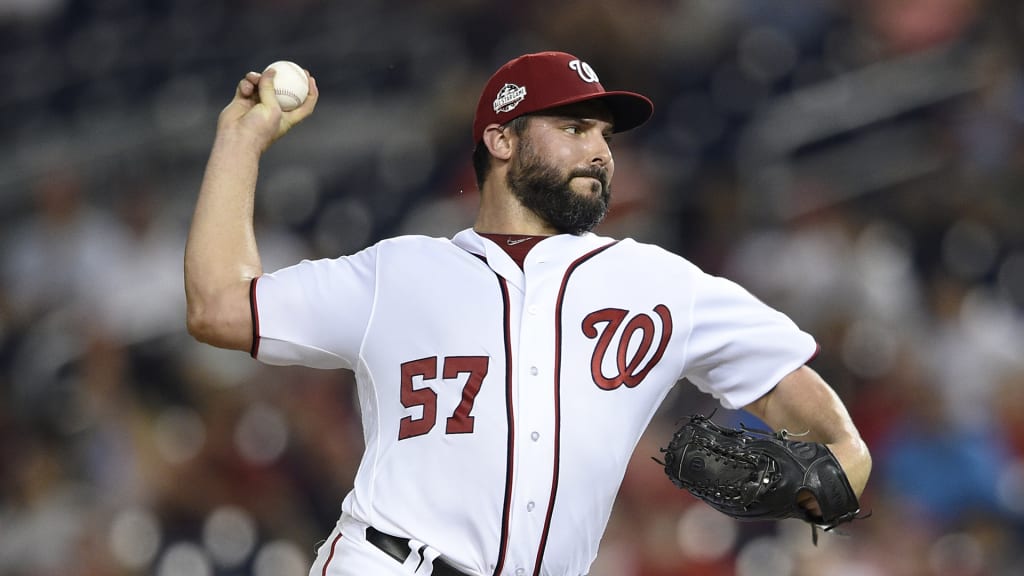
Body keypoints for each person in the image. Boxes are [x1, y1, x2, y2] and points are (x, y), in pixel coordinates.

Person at [184, 51, 871, 576]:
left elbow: (834, 437)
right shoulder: (396, 273)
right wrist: (241, 143)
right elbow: (218, 307)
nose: (599, 150)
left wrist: (823, 485)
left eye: (604, 134)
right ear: (502, 140)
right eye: (573, 127)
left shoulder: (661, 284)